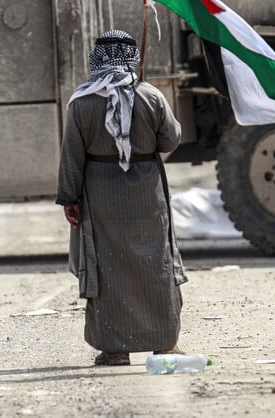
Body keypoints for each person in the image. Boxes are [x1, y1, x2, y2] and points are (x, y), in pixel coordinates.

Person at [56, 29, 187, 366]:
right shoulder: (151, 96)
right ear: (134, 59)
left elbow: (71, 155)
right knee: (155, 263)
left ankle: (115, 349)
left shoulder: (81, 102)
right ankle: (164, 344)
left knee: (108, 266)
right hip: (147, 192)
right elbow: (170, 139)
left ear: (96, 59)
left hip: (101, 196)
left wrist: (70, 199)